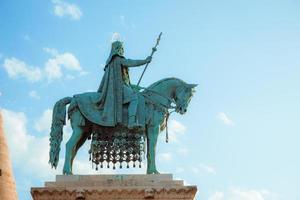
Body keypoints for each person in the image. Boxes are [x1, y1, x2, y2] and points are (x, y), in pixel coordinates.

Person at [97, 40, 151, 129]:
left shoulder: (114, 61)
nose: (122, 50)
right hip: (118, 87)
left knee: (134, 93)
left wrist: (132, 86)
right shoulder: (118, 59)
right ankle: (131, 122)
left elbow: (124, 79)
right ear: (117, 49)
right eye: (121, 48)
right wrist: (145, 61)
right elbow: (131, 62)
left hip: (122, 86)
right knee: (134, 97)